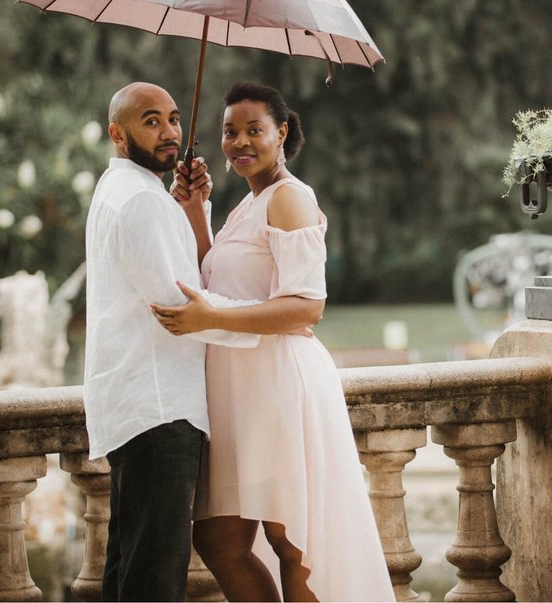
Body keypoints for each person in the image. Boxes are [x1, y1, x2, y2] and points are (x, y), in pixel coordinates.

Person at [151, 82, 395, 602]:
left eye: (253, 130)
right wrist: (195, 207)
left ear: (281, 133)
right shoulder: (250, 202)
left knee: (291, 541)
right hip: (240, 392)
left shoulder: (290, 196)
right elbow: (215, 277)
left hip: (280, 383)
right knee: (219, 539)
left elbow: (307, 306)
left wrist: (208, 317)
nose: (240, 142)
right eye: (229, 132)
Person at [84, 82, 316, 602]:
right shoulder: (141, 199)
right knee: (152, 576)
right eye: (151, 121)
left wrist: (191, 209)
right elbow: (184, 308)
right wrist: (280, 320)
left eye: (172, 118)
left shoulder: (125, 189)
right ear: (117, 134)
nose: (169, 131)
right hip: (161, 407)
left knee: (132, 567)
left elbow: (203, 285)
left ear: (281, 134)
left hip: (157, 405)